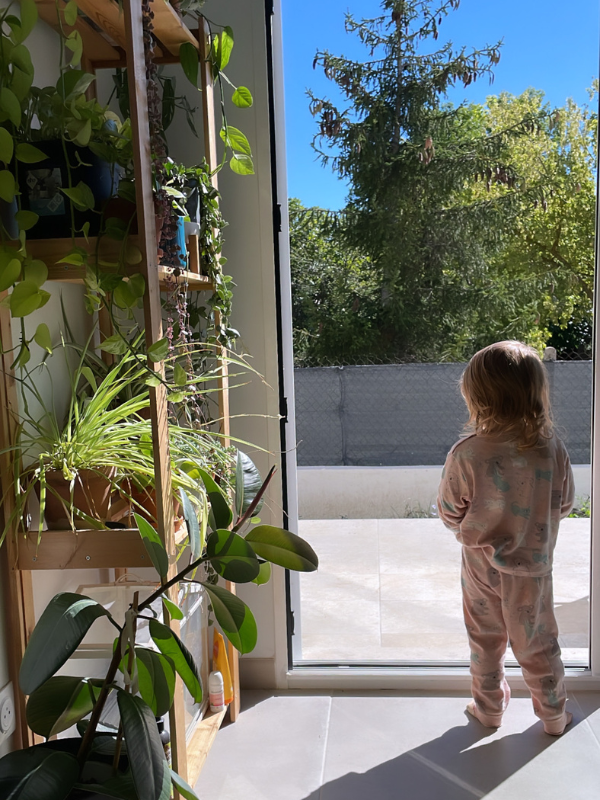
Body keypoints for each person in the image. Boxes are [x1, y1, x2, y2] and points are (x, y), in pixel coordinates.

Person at [437, 341, 575, 736]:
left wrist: (472, 527)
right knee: (538, 641)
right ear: (535, 393)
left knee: (485, 639)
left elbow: (449, 511)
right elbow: (565, 503)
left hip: (480, 565)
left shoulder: (467, 453)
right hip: (533, 567)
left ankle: (489, 709)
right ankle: (553, 716)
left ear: (477, 398)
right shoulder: (552, 449)